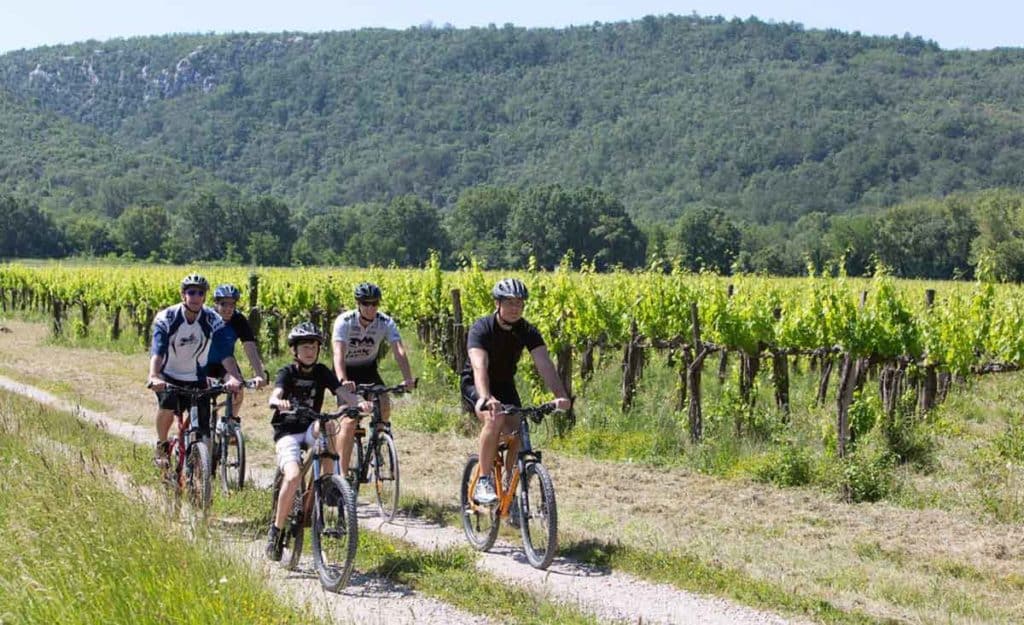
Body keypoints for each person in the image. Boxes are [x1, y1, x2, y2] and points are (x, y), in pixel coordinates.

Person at [460, 278, 571, 505]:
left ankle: (510, 490)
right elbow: (479, 365)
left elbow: (544, 363)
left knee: (519, 428)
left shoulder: (527, 330)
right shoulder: (482, 328)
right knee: (495, 418)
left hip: (505, 384)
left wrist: (561, 395)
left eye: (519, 303)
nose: (515, 308)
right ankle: (483, 479)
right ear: (497, 303)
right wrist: (485, 397)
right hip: (476, 384)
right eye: (509, 303)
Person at [266, 322, 371, 560]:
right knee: (293, 476)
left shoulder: (322, 371)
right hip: (287, 431)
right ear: (295, 350)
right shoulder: (287, 372)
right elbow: (276, 393)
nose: (310, 350)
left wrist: (358, 403)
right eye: (304, 346)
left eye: (313, 345)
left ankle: (326, 483)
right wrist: (277, 402)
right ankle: (276, 530)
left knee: (330, 423)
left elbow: (342, 393)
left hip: (310, 425)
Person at [147, 273, 243, 468]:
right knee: (167, 405)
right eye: (191, 292)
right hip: (169, 376)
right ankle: (162, 445)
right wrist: (154, 375)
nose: (196, 297)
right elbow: (158, 351)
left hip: (196, 377)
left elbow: (226, 353)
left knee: (204, 428)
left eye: (200, 293)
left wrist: (233, 376)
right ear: (183, 295)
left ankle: (200, 467)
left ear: (205, 297)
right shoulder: (167, 317)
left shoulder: (211, 319)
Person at [331, 282, 415, 475]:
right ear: (358, 304)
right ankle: (341, 475)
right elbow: (338, 353)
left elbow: (399, 350)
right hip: (346, 370)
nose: (371, 308)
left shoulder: (385, 322)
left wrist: (408, 378)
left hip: (368, 369)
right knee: (349, 420)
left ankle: (377, 443)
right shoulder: (345, 321)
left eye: (374, 304)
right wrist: (343, 380)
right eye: (366, 304)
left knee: (384, 402)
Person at [207, 283, 268, 419]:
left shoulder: (238, 320)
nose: (228, 309)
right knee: (201, 399)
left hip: (225, 364)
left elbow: (250, 347)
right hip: (202, 363)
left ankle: (230, 422)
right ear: (215, 303)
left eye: (232, 305)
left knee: (238, 390)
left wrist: (259, 374)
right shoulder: (206, 318)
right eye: (224, 304)